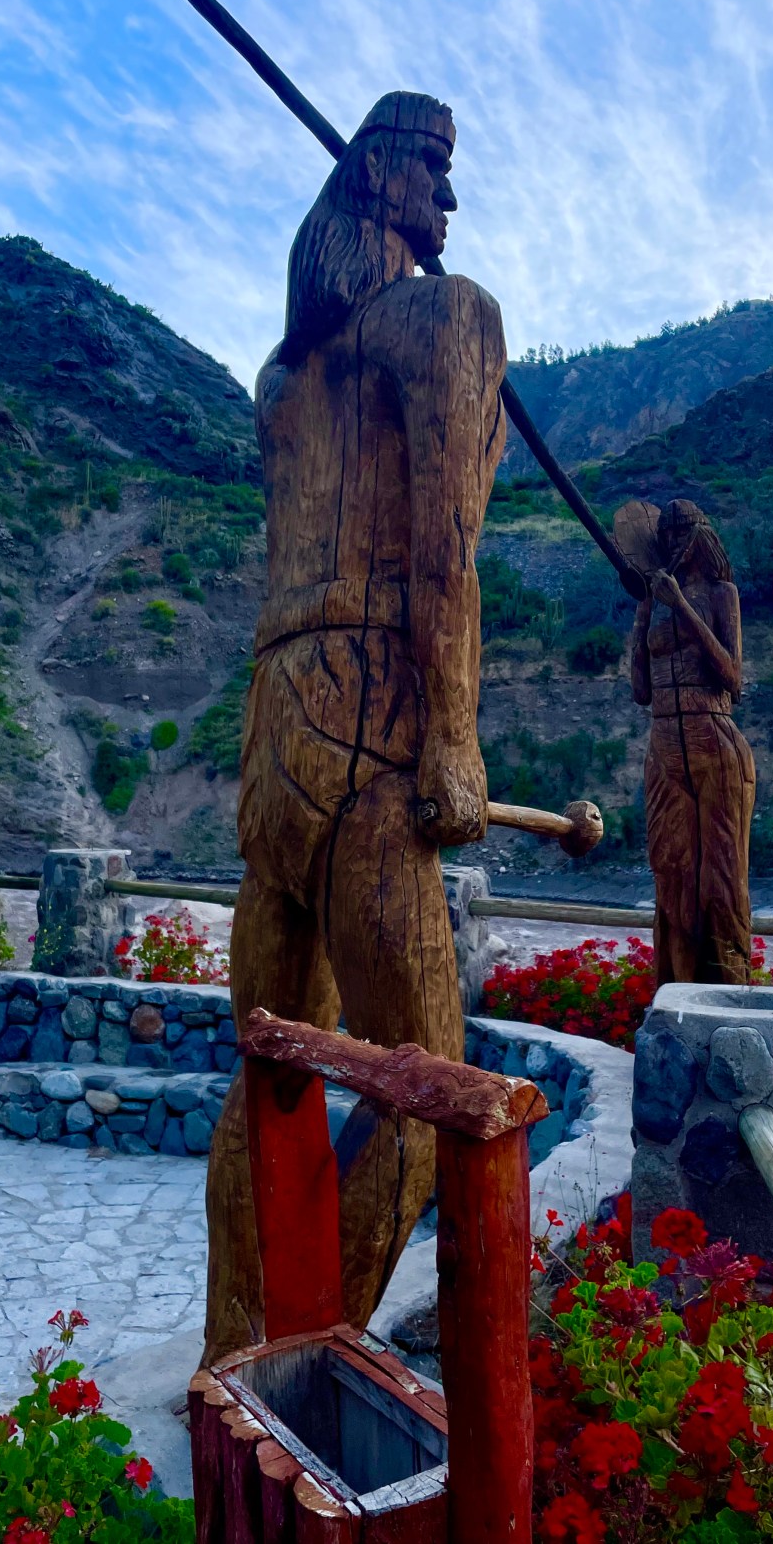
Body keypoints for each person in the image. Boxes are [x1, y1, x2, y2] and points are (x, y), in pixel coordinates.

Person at [202, 92, 507, 1364]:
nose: (449, 200)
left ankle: (229, 1354)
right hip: (375, 711)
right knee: (426, 1089)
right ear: (376, 177)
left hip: (273, 727)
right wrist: (453, 737)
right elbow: (445, 547)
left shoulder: (280, 382)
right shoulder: (445, 319)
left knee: (267, 1069)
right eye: (433, 170)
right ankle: (302, 1363)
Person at [620, 497, 755, 985]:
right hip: (663, 742)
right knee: (670, 872)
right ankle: (673, 988)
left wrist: (681, 606)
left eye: (682, 530)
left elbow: (733, 679)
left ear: (701, 536)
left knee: (722, 878)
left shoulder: (721, 594)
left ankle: (730, 990)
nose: (674, 540)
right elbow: (640, 691)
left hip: (713, 737)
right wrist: (644, 612)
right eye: (667, 533)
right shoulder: (655, 603)